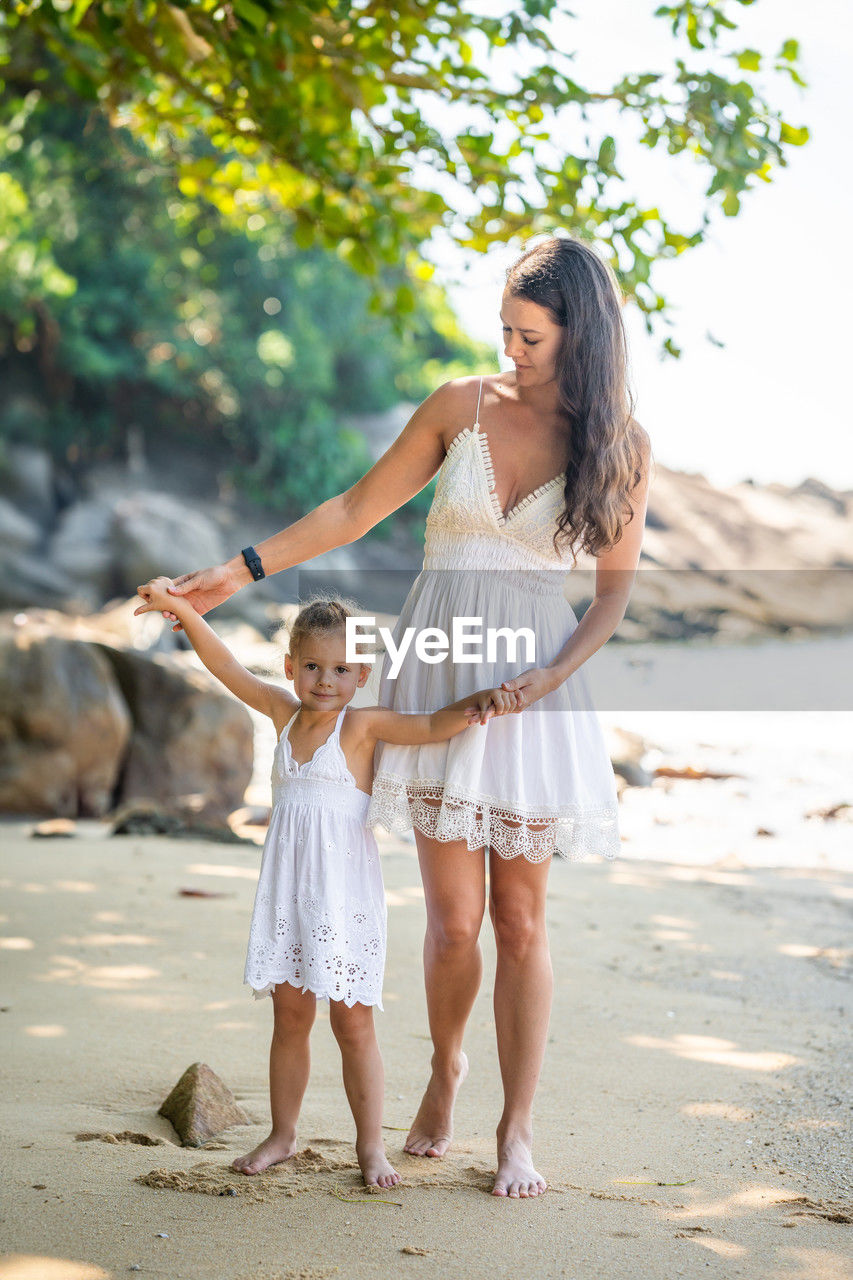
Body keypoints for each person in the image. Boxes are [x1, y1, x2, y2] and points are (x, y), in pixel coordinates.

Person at [135, 233, 652, 1198]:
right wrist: (236, 572)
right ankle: (445, 1070)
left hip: (531, 688)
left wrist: (549, 677)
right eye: (505, 329)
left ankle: (516, 1130)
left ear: (581, 333)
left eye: (531, 336)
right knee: (454, 924)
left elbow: (613, 598)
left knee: (521, 921)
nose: (512, 349)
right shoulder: (461, 407)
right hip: (430, 669)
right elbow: (352, 509)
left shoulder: (615, 443)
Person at [134, 580, 518, 1189]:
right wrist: (182, 609)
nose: (324, 680)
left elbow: (430, 725)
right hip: (289, 899)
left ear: (360, 674)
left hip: (344, 903)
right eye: (311, 665)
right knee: (290, 1018)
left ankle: (372, 1149)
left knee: (353, 1025)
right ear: (289, 668)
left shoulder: (360, 728)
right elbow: (226, 666)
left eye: (341, 668)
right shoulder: (283, 716)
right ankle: (283, 1135)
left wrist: (480, 703)